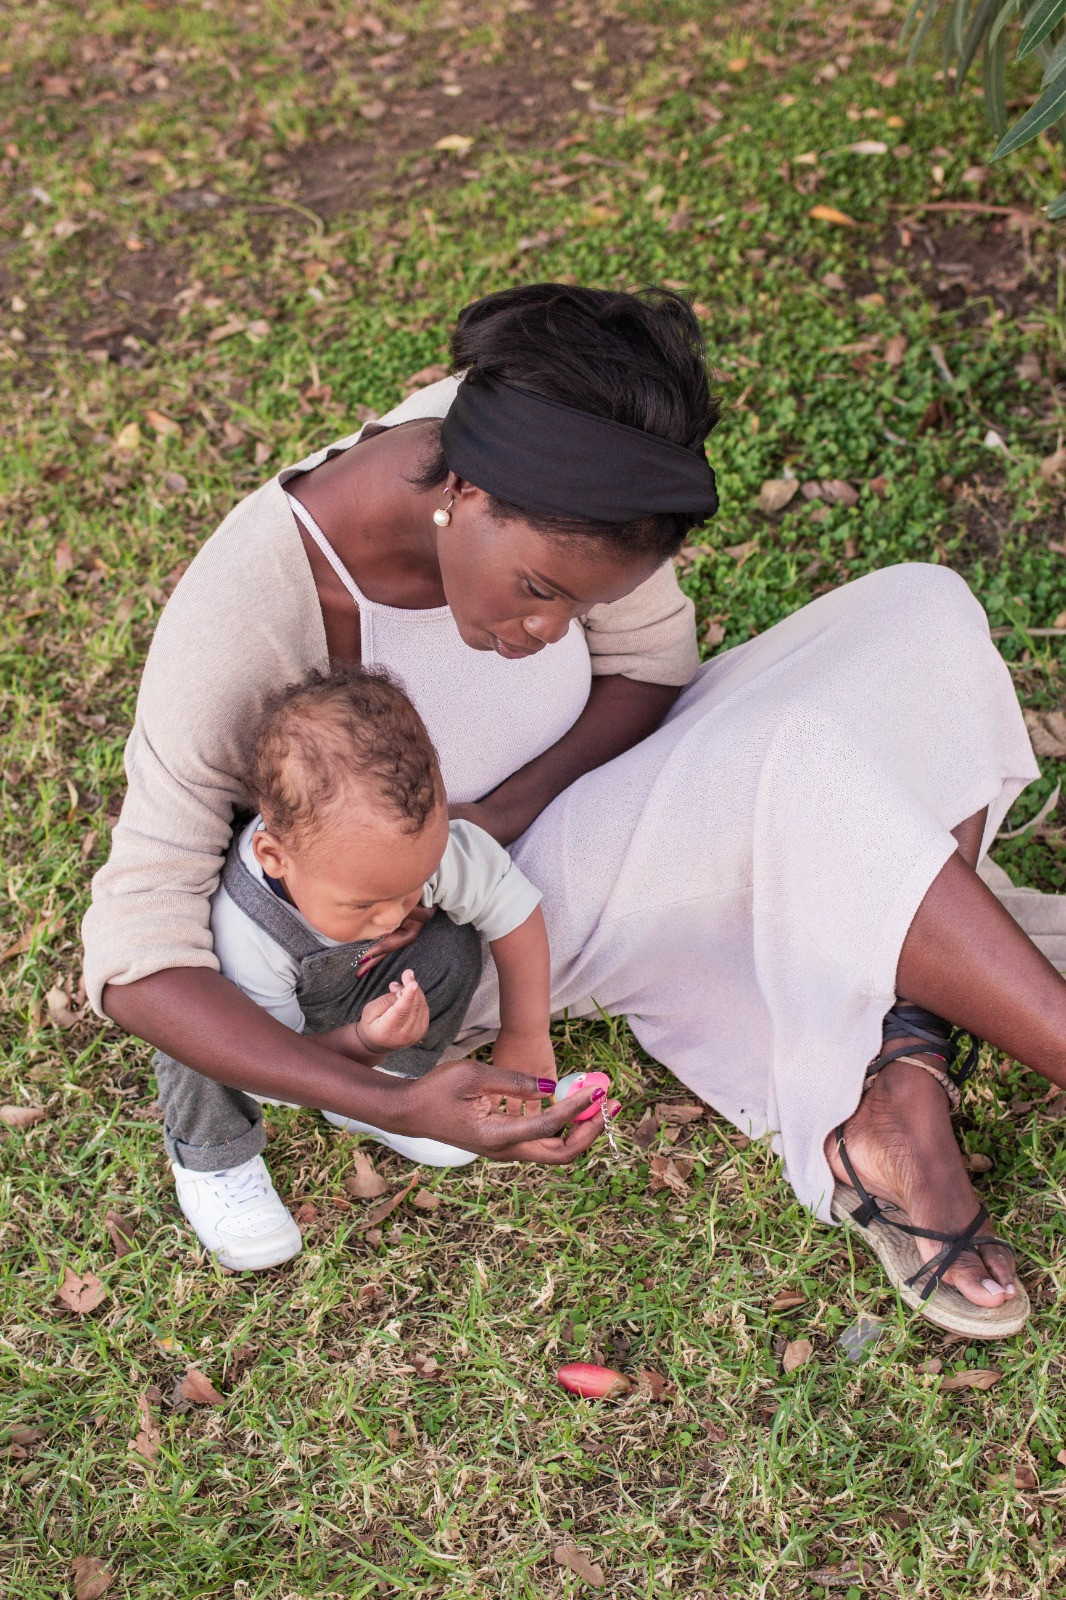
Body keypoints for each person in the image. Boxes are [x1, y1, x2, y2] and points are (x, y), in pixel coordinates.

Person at [84, 282, 1064, 1337]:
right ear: (463, 492)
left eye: (583, 603)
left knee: (921, 610)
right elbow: (137, 953)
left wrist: (504, 811)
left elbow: (653, 666)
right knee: (806, 769)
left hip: (540, 826)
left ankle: (901, 1074)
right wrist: (389, 1096)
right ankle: (915, 1076)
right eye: (544, 590)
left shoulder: (561, 453)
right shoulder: (253, 605)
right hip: (458, 937)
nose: (556, 629)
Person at [165, 664, 592, 1270]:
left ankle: (389, 1088)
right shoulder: (245, 932)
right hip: (263, 1040)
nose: (395, 915)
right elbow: (270, 1065)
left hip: (356, 999)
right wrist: (362, 1041)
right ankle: (217, 1158)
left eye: (414, 884)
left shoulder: (401, 847)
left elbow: (512, 910)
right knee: (192, 1035)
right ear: (275, 857)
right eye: (365, 903)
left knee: (450, 943)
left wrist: (525, 1033)